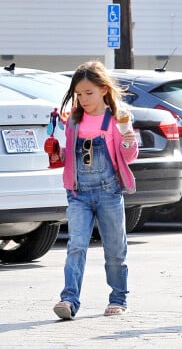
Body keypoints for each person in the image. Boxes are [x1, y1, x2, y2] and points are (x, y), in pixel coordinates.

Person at [51, 61, 138, 320]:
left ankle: (118, 298)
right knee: (76, 246)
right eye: (78, 94)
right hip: (78, 193)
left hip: (109, 192)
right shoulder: (74, 120)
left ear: (103, 89)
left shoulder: (118, 117)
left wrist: (128, 141)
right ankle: (68, 299)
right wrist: (57, 152)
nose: (83, 99)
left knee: (114, 248)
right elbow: (69, 156)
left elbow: (129, 156)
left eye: (88, 93)